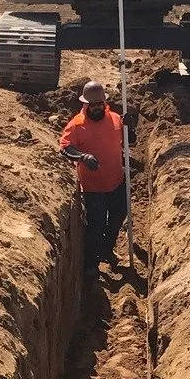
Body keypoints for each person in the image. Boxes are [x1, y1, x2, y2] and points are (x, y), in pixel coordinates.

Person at [59, 80, 128, 272]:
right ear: (85, 104)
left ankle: (107, 249)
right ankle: (91, 265)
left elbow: (131, 141)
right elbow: (65, 146)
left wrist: (129, 127)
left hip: (116, 181)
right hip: (92, 187)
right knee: (95, 226)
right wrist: (82, 156)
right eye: (93, 105)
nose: (97, 108)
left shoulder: (115, 119)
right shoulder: (77, 125)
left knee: (118, 216)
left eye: (100, 104)